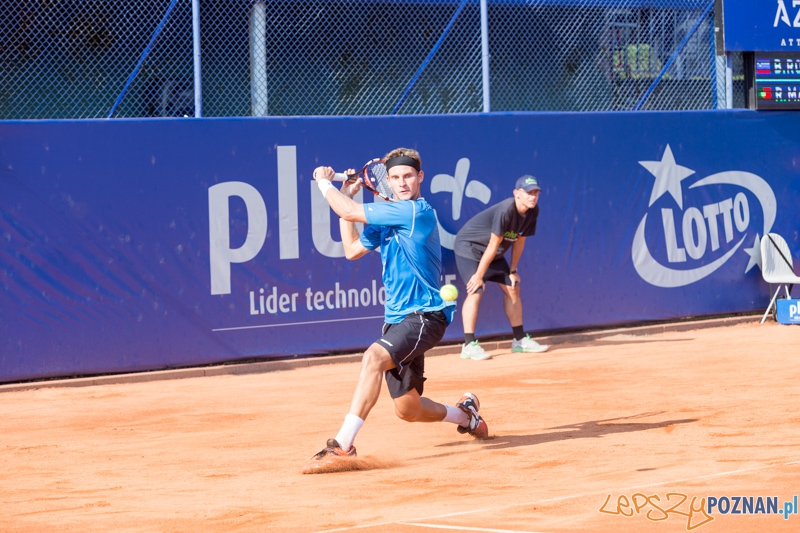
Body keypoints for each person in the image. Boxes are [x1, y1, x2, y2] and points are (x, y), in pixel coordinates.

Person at [306, 148, 488, 471]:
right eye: (395, 178)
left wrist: (324, 184)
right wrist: (348, 195)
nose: (402, 183)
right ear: (387, 181)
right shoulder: (388, 218)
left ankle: (342, 445)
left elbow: (348, 211)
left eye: (408, 176)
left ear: (420, 177)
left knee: (372, 358)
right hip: (396, 320)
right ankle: (466, 416)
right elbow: (351, 250)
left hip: (426, 315)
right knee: (408, 409)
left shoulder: (416, 211)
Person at [453, 175, 549, 361]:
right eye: (529, 193)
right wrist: (479, 275)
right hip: (470, 248)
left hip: (493, 253)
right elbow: (492, 244)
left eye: (536, 193)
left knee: (513, 287)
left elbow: (519, 241)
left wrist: (513, 270)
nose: (533, 197)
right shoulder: (506, 210)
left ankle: (519, 340)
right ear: (517, 193)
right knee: (476, 289)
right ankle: (468, 345)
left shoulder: (533, 211)